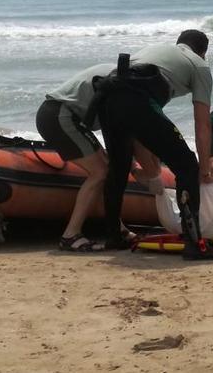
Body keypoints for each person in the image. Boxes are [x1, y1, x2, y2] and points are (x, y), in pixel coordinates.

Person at [92, 29, 213, 261]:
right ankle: (194, 243)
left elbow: (144, 126)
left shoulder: (159, 51)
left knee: (119, 167)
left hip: (108, 96)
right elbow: (203, 123)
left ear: (179, 43)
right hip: (136, 97)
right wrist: (203, 169)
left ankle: (114, 236)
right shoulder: (199, 65)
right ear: (203, 52)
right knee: (186, 165)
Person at [36, 65, 163, 252]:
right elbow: (130, 136)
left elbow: (117, 134)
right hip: (60, 115)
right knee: (100, 172)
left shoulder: (121, 77)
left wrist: (135, 169)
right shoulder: (123, 86)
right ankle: (70, 235)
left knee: (105, 169)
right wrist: (151, 174)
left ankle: (118, 228)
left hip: (64, 115)